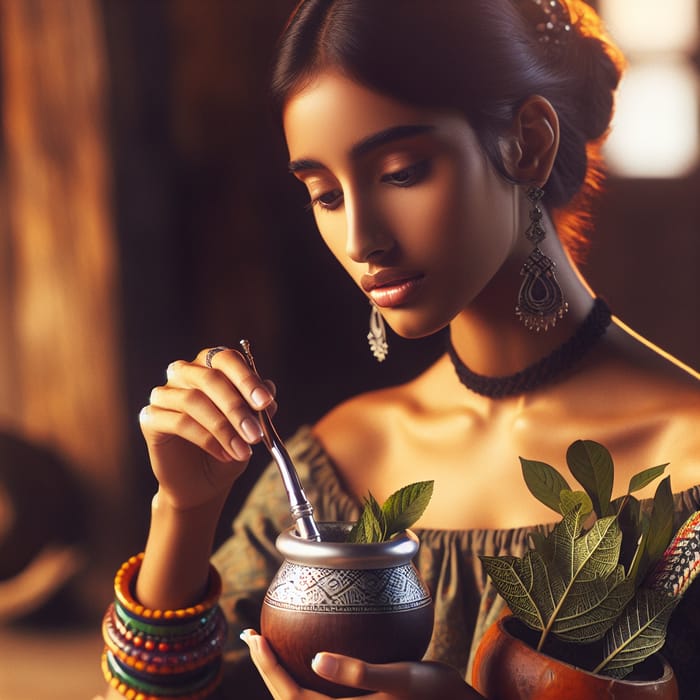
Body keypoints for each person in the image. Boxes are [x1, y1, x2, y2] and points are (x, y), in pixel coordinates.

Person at [99, 1, 700, 698]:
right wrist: (183, 510)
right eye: (324, 194)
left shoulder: (685, 475)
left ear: (528, 143)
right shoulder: (339, 465)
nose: (361, 240)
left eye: (402, 172)